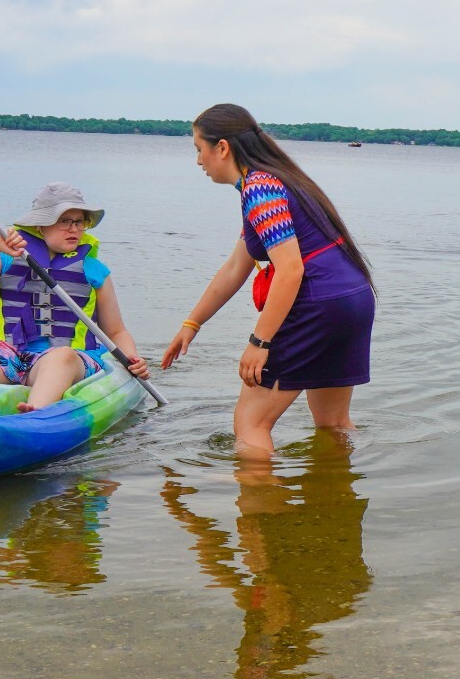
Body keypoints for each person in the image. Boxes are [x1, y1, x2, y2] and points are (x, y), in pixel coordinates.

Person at [161, 104, 376, 456]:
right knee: (333, 423)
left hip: (318, 303)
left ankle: (258, 509)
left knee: (250, 423)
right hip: (354, 299)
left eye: (199, 149)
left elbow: (291, 270)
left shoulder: (259, 189)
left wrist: (259, 343)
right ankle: (335, 502)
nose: (198, 160)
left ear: (223, 148)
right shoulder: (281, 180)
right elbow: (236, 267)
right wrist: (192, 323)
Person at [0, 182, 148, 413]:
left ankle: (35, 414)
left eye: (79, 222)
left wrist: (131, 358)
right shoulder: (7, 259)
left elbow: (116, 331)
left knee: (60, 357)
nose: (74, 229)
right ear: (40, 226)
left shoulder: (95, 270)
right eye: (64, 221)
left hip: (71, 361)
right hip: (9, 356)